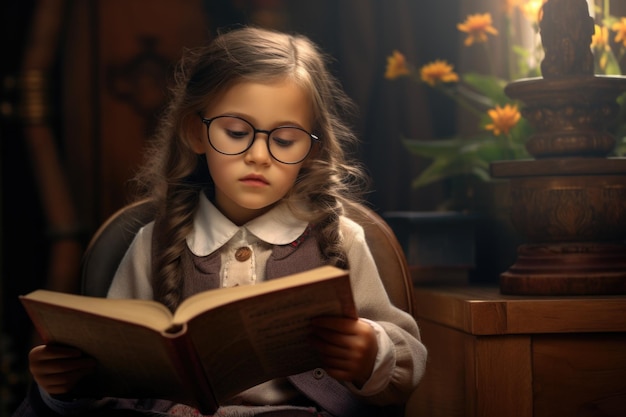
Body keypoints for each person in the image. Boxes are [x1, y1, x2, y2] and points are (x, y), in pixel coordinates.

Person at [19, 26, 427, 417]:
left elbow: (407, 363)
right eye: (236, 132)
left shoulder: (341, 239)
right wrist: (64, 386)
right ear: (196, 134)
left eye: (284, 140)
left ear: (311, 151)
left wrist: (371, 353)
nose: (260, 156)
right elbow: (110, 370)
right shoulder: (153, 242)